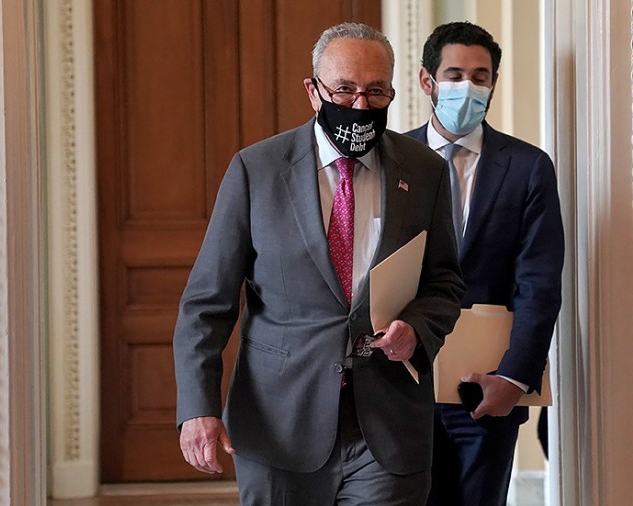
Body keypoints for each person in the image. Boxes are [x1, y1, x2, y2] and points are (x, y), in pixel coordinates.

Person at [173, 22, 466, 505]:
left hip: (388, 427)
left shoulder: (425, 170)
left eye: (375, 92)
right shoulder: (256, 170)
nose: (359, 106)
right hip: (279, 425)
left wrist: (416, 328)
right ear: (314, 91)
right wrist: (196, 407)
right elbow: (207, 303)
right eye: (344, 89)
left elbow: (445, 282)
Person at [404, 21, 565, 506]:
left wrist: (515, 378)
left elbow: (538, 283)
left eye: (481, 76)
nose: (468, 87)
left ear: (494, 82)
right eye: (455, 74)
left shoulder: (528, 166)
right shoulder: (391, 160)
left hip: (487, 388)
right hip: (402, 384)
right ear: (427, 81)